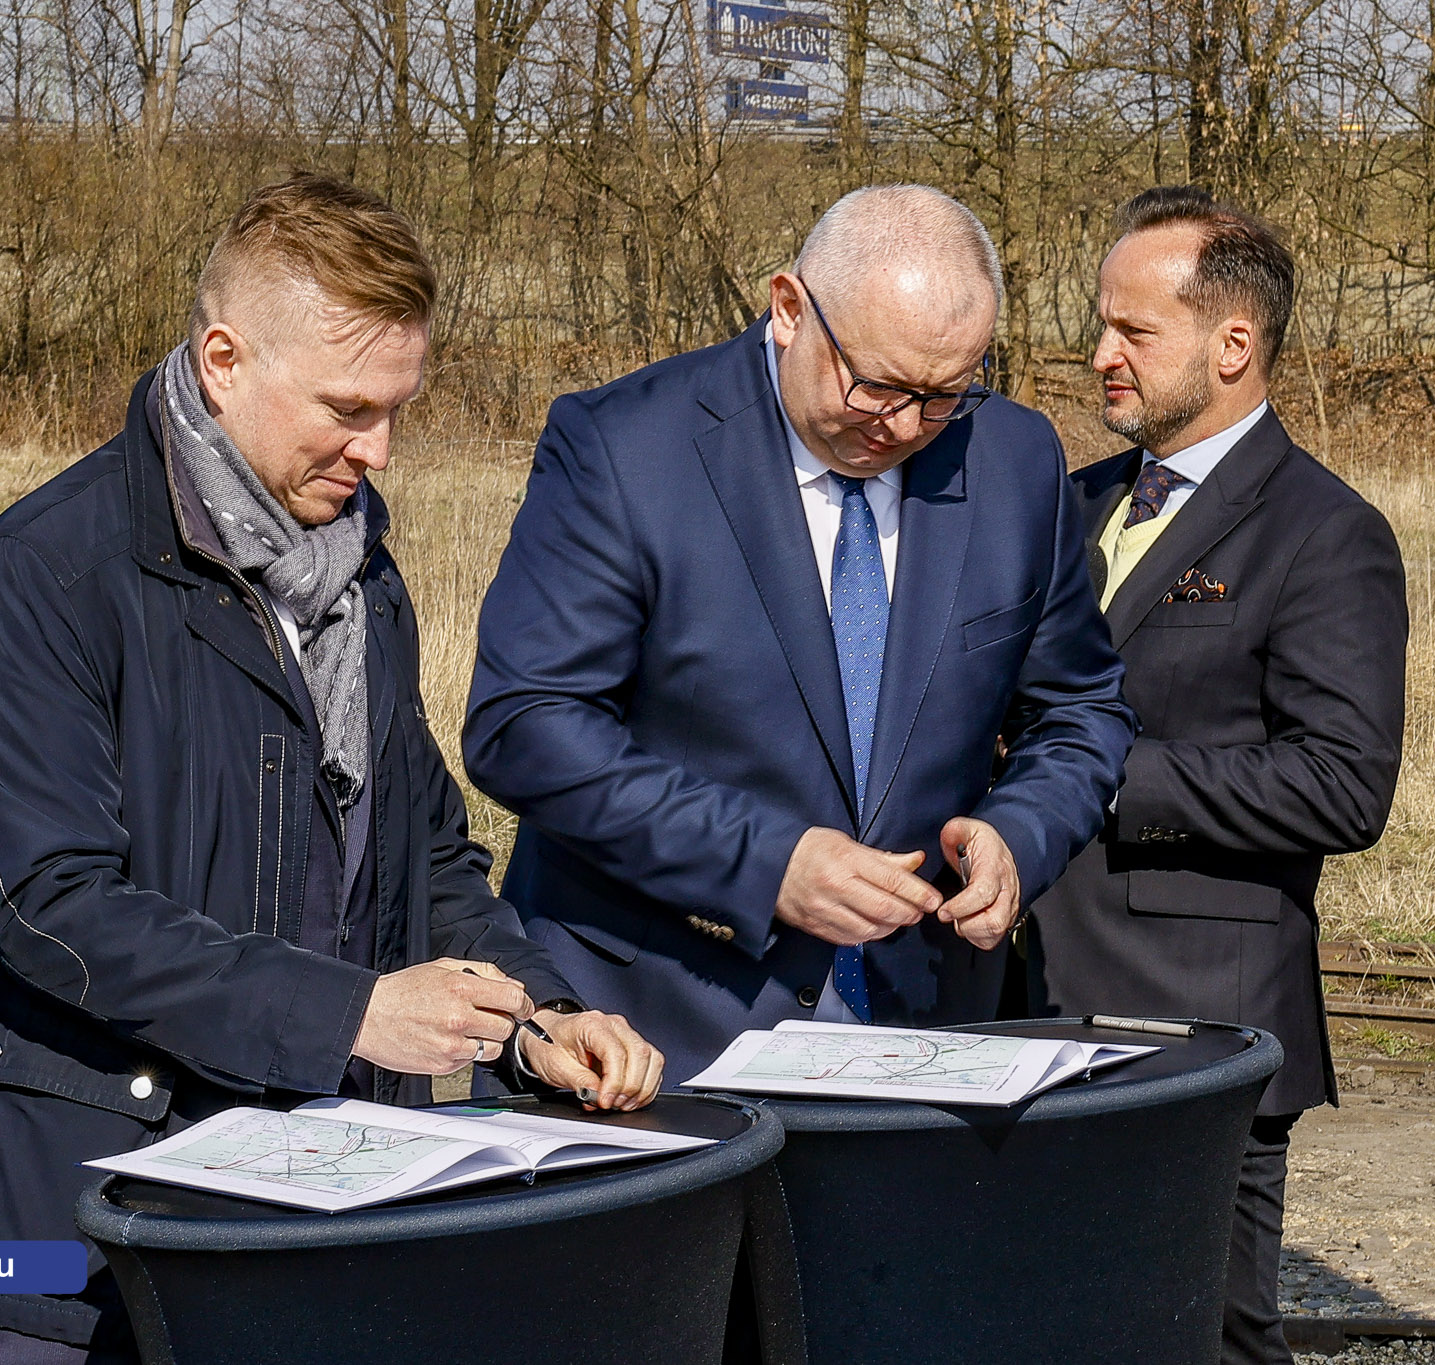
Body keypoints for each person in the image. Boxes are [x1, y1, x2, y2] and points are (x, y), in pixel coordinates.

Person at [0, 174, 663, 1365]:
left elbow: (421, 860)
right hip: (85, 1239)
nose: (379, 449)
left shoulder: (362, 583)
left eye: (398, 409)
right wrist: (353, 1013)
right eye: (347, 408)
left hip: (316, 1217)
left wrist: (534, 1017)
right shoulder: (42, 580)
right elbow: (51, 909)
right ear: (223, 359)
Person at [462, 184, 1136, 1080]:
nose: (901, 425)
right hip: (656, 1033)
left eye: (942, 396)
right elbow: (525, 726)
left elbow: (1080, 710)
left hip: (921, 1032)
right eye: (876, 384)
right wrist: (764, 863)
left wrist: (1019, 833)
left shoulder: (1014, 459)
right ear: (788, 309)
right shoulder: (625, 449)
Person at [1023, 186, 1407, 1365]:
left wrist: (1095, 778)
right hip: (1011, 1004)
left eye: (1131, 332)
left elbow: (1341, 784)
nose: (1098, 356)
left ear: (1230, 344)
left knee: (1206, 1339)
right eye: (1100, 324)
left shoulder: (1324, 533)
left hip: (1196, 1027)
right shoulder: (1068, 505)